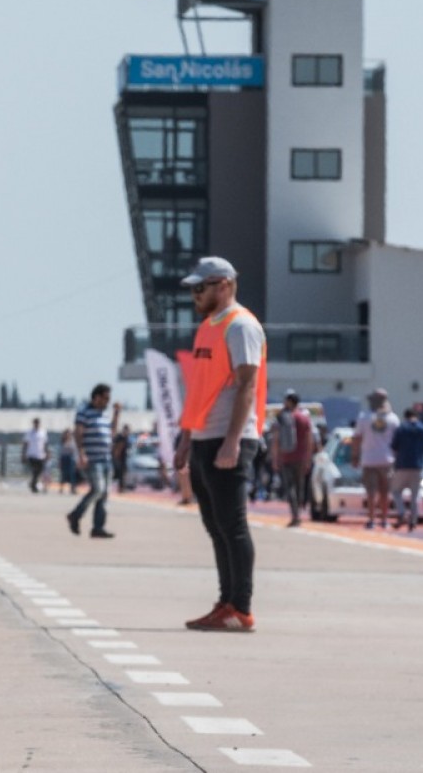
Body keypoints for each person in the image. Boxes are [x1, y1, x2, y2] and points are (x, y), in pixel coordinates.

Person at [173, 257, 265, 633]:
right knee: (216, 527)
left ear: (224, 284)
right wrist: (186, 438)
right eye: (193, 289)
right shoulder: (208, 328)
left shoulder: (241, 325)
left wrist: (232, 441)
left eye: (201, 287)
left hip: (228, 439)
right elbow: (199, 389)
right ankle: (226, 602)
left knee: (233, 525)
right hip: (204, 437)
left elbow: (247, 386)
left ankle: (240, 607)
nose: (195, 295)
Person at [66, 385, 120, 538]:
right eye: (105, 398)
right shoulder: (84, 412)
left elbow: (112, 433)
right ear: (96, 397)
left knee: (104, 494)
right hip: (92, 459)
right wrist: (81, 453)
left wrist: (116, 414)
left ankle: (98, 527)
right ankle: (75, 514)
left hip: (106, 458)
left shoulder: (104, 414)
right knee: (98, 489)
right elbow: (78, 433)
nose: (107, 402)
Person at [352, 388, 400, 530]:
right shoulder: (393, 419)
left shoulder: (364, 417)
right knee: (385, 492)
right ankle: (384, 519)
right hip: (387, 460)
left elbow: (357, 438)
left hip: (369, 459)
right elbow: (397, 442)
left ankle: (371, 519)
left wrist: (355, 456)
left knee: (371, 492)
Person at [271, 391, 316, 527]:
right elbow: (309, 440)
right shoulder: (304, 419)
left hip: (286, 456)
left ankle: (295, 514)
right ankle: (299, 514)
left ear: (289, 402)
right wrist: (308, 458)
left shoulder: (283, 417)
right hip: (301, 457)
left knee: (290, 487)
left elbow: (276, 439)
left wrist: (275, 458)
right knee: (299, 486)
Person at [390, 408, 423, 532]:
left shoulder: (401, 429)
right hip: (417, 465)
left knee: (396, 491)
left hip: (402, 465)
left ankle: (402, 512)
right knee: (415, 494)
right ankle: (413, 520)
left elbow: (394, 446)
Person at [23, 417, 50, 494]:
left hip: (40, 455)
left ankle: (33, 483)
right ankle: (34, 486)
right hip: (31, 454)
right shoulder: (29, 432)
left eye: (38, 423)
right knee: (35, 470)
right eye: (35, 423)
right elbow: (25, 443)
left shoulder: (43, 432)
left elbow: (45, 444)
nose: (37, 424)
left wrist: (47, 453)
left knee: (39, 470)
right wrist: (23, 454)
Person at [58, 429, 80, 494]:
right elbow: (61, 452)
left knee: (72, 474)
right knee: (63, 474)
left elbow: (75, 451)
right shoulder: (63, 441)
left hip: (71, 459)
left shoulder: (73, 441)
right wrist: (60, 461)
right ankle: (61, 488)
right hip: (64, 458)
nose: (68, 435)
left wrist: (77, 460)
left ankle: (73, 488)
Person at [111, 424, 131, 492]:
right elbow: (118, 448)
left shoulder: (124, 438)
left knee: (122, 473)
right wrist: (116, 457)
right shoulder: (121, 438)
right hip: (120, 458)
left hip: (122, 458)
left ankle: (122, 487)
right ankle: (121, 488)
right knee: (121, 473)